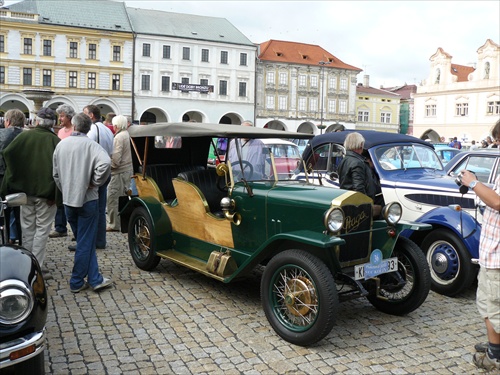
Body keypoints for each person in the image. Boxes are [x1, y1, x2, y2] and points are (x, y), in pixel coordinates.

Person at [53, 112, 113, 293]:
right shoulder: (92, 146)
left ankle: (94, 278)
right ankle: (77, 280)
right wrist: (94, 182)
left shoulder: (61, 145)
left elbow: (55, 174)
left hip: (69, 200)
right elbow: (106, 164)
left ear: (74, 125)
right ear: (88, 128)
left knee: (83, 240)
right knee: (85, 242)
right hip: (88, 200)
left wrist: (66, 187)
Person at [460, 120, 500, 371]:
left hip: (497, 253)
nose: (496, 144)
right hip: (494, 248)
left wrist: (473, 183)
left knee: (491, 305)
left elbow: (497, 202)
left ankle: (494, 355)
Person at [0, 107, 61, 271]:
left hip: (26, 193)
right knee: (42, 231)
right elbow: (60, 171)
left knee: (27, 229)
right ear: (52, 124)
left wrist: (17, 177)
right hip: (47, 195)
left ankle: (26, 264)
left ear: (37, 121)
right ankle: (36, 267)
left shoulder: (25, 136)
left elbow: (8, 154)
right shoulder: (55, 141)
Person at [82, 105, 114, 250]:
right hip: (106, 171)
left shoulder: (92, 130)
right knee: (101, 208)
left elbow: (88, 152)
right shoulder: (108, 130)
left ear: (90, 116)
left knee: (91, 208)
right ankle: (100, 240)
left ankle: (92, 240)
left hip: (95, 172)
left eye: (84, 114)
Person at [337, 132, 381, 217]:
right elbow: (358, 188)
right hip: (359, 205)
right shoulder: (357, 163)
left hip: (347, 201)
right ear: (361, 145)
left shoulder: (345, 160)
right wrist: (366, 206)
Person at [49, 104, 75, 239]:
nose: (60, 118)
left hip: (71, 169)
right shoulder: (60, 131)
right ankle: (60, 227)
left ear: (69, 117)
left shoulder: (74, 130)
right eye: (59, 115)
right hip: (61, 168)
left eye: (62, 115)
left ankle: (75, 228)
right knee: (60, 200)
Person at [0, 109, 25, 244]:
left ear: (8, 121)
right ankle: (17, 238)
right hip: (21, 179)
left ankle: (7, 238)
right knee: (18, 211)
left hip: (2, 177)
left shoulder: (1, 134)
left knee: (4, 209)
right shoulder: (27, 135)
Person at [106, 115, 133, 232]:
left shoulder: (119, 137)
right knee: (124, 197)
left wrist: (108, 167)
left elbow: (116, 159)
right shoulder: (127, 134)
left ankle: (113, 224)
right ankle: (123, 223)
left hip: (119, 172)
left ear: (116, 125)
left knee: (113, 198)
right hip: (127, 170)